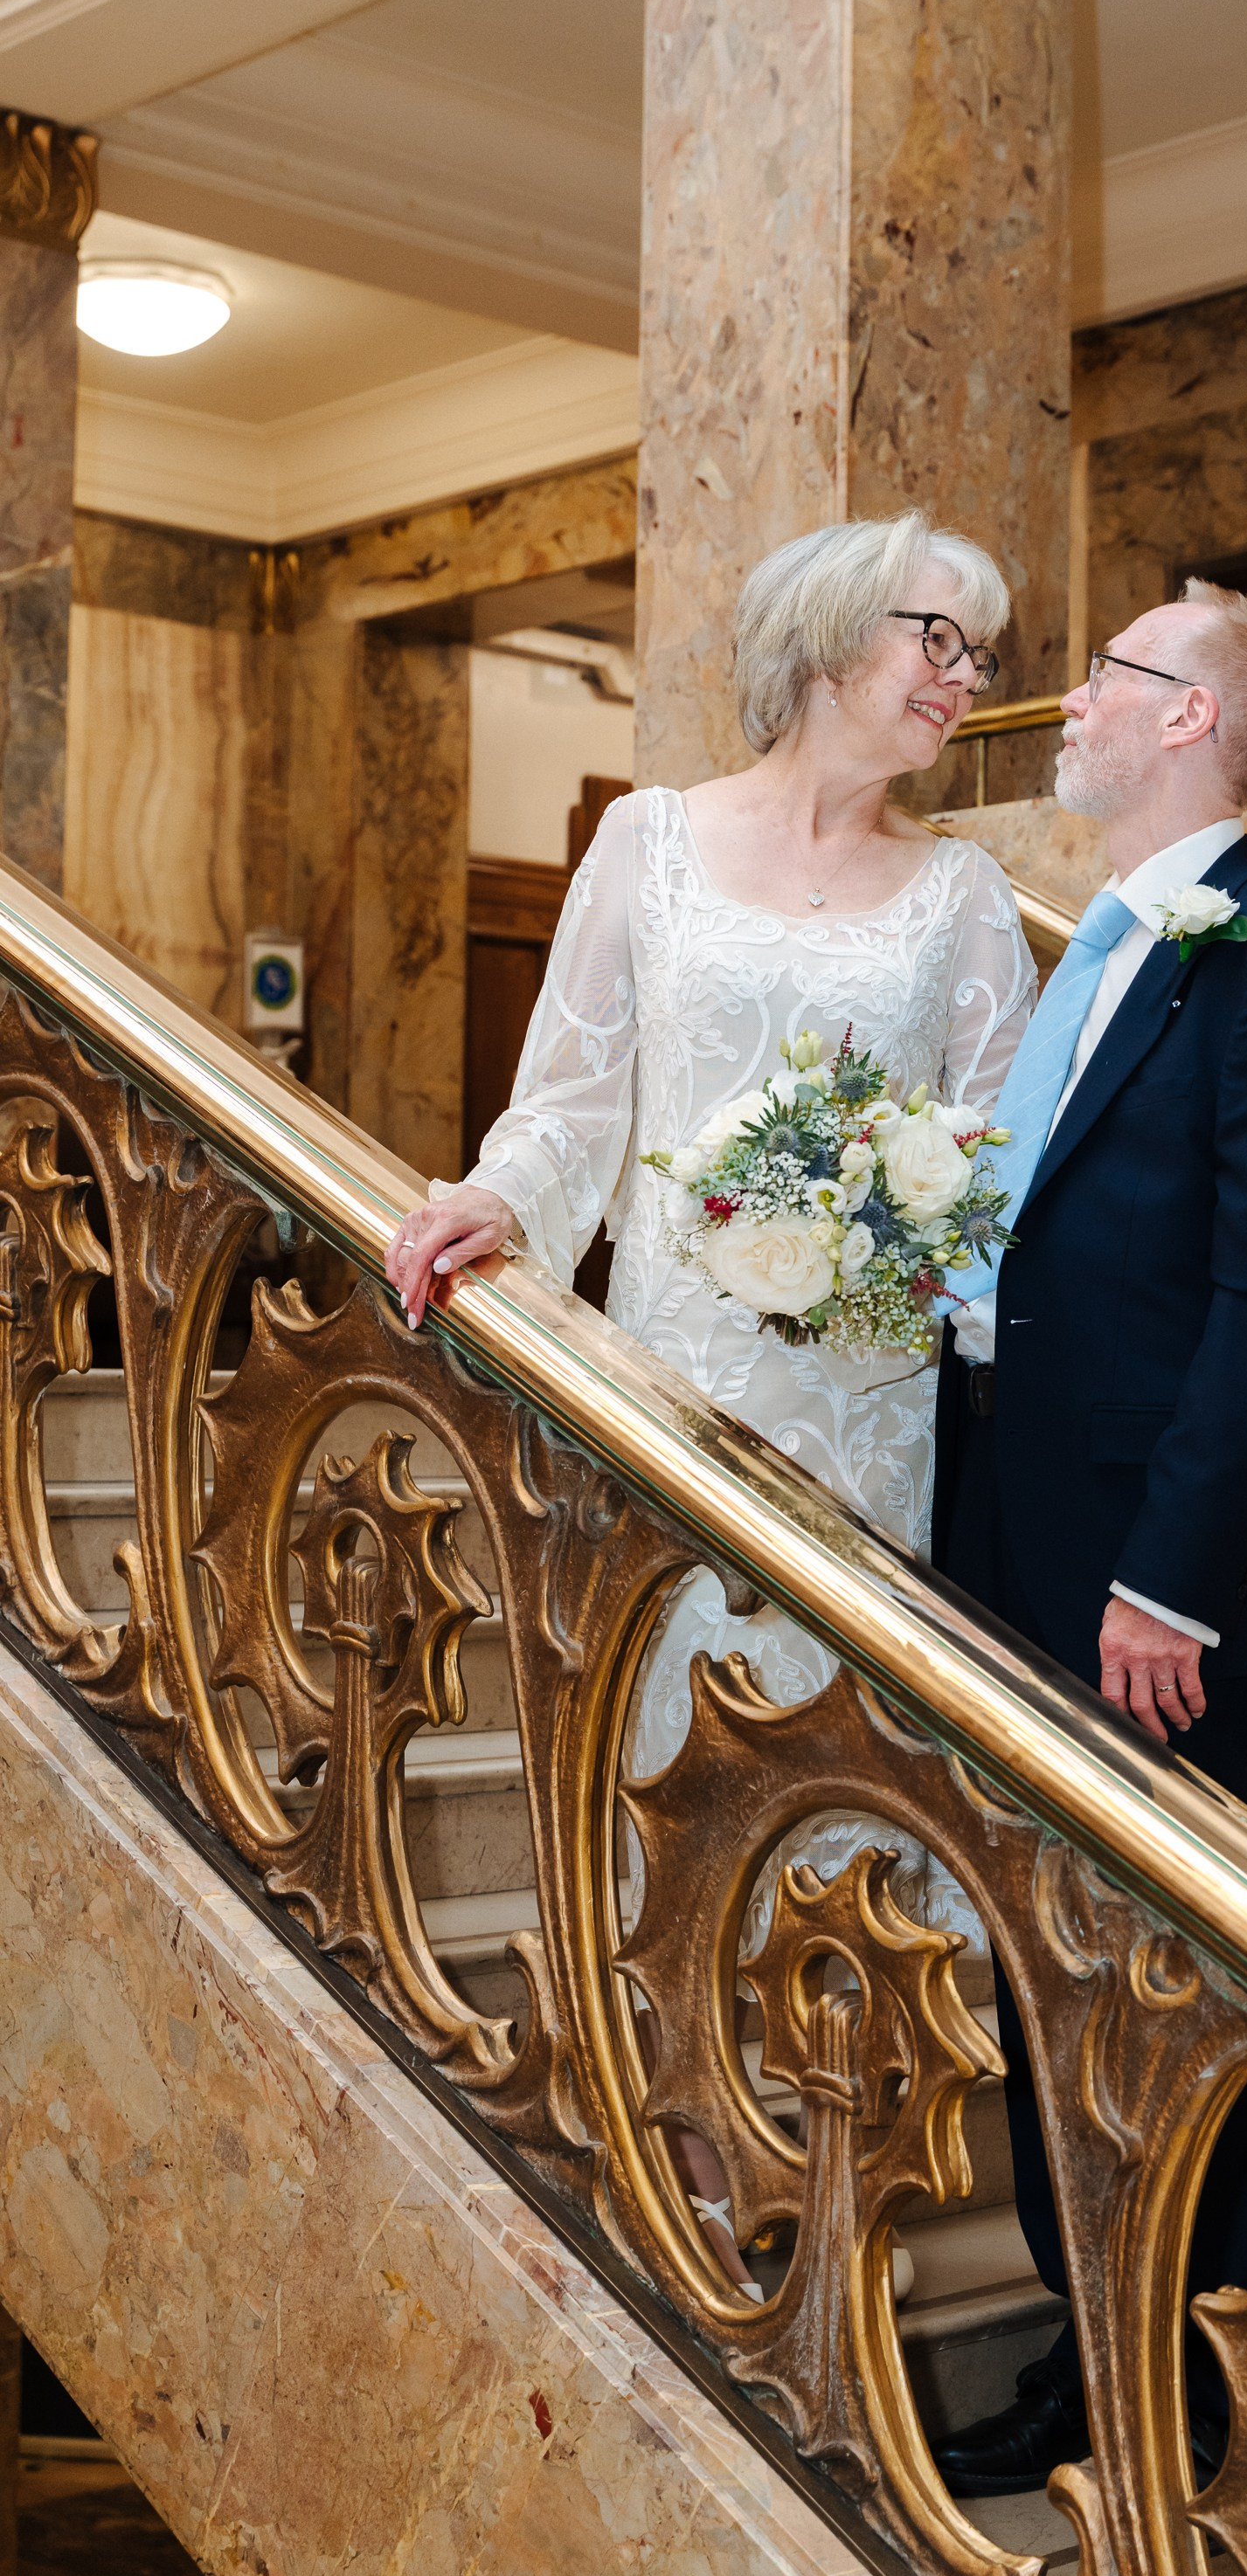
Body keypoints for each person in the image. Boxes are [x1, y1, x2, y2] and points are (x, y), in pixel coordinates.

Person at [384, 509, 1036, 2294]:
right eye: (939, 638)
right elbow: (574, 1101)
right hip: (676, 1392)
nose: (962, 681)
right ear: (832, 636)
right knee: (666, 1769)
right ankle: (663, 2149)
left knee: (843, 1791)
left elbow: (998, 1162)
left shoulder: (964, 894)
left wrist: (898, 1216)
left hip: (873, 1423)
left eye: (979, 652)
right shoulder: (645, 843)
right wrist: (497, 1203)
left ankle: (830, 2186)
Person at [927, 578, 1247, 2497]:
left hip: (1148, 1587)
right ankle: (1078, 2341)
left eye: (1104, 672)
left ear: (1191, 715)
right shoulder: (1089, 947)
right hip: (1010, 1545)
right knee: (1051, 1968)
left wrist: (1168, 1579)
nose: (1064, 701)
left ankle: (1204, 2368)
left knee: (1178, 1987)